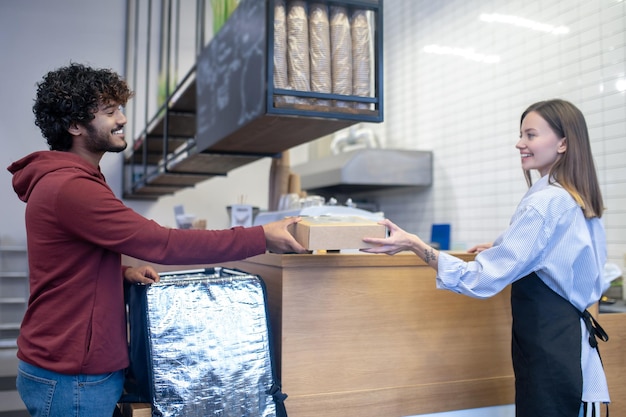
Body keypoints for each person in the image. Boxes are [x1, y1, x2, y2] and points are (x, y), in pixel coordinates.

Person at [7, 62, 307, 417]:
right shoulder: (72, 187)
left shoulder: (69, 180)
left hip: (68, 368)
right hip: (73, 377)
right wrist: (261, 237)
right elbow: (162, 244)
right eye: (109, 112)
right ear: (74, 126)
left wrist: (119, 274)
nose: (121, 119)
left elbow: (65, 266)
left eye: (120, 109)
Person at [362, 99, 609, 417]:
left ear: (563, 143)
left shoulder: (545, 203)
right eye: (521, 134)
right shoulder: (576, 197)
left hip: (551, 353)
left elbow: (480, 279)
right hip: (568, 347)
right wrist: (500, 245)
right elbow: (557, 254)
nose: (519, 143)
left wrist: (415, 245)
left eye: (530, 135)